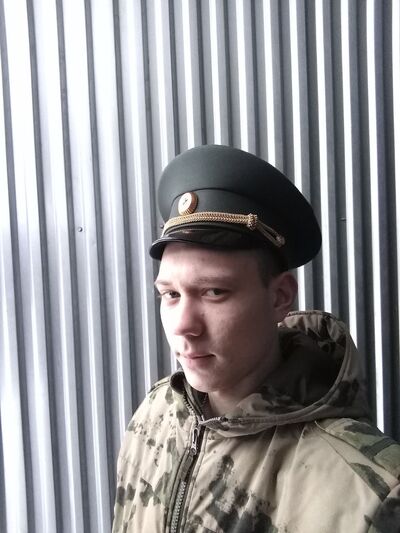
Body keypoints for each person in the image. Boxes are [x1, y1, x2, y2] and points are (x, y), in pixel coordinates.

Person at [112, 145, 400, 532]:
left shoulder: (372, 490)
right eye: (171, 294)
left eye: (214, 292)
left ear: (280, 297)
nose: (183, 326)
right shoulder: (155, 415)